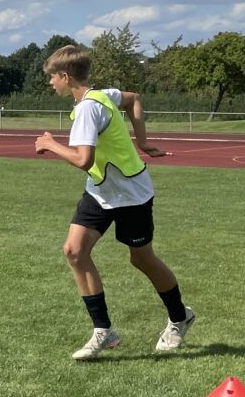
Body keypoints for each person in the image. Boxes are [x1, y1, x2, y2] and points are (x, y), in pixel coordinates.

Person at [34, 44, 195, 361]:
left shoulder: (88, 108)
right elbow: (133, 97)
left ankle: (180, 317)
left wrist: (50, 144)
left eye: (52, 77)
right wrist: (143, 140)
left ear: (66, 76)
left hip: (131, 195)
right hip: (100, 191)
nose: (50, 83)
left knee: (142, 259)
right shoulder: (101, 94)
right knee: (74, 251)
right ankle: (103, 330)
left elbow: (83, 158)